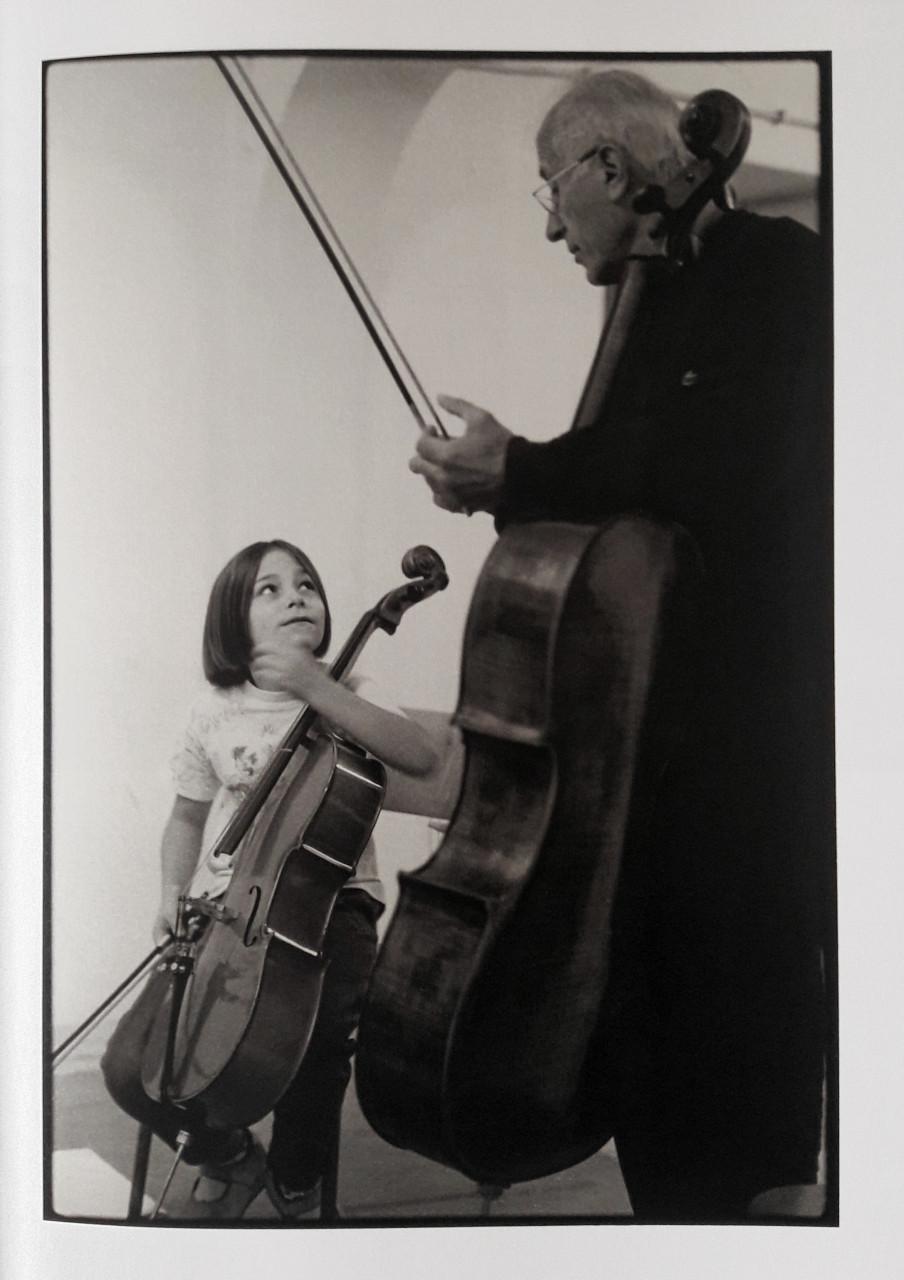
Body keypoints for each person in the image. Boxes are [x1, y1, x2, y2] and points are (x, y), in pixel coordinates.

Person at [410, 70, 833, 1222]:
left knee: (747, 1161)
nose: (552, 220)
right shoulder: (650, 300)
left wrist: (528, 470)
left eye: (552, 187)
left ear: (609, 167)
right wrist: (523, 485)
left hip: (742, 785)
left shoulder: (781, 274)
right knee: (669, 1162)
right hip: (648, 796)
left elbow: (722, 467)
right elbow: (630, 520)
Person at [101, 538, 438, 1219]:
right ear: (234, 618)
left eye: (306, 585)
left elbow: (421, 756)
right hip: (229, 907)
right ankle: (227, 1155)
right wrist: (170, 893)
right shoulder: (214, 710)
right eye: (270, 589)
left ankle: (296, 1174)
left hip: (331, 906)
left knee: (314, 1051)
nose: (296, 597)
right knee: (131, 1064)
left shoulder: (351, 689)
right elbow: (187, 818)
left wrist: (318, 688)